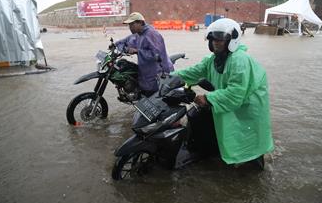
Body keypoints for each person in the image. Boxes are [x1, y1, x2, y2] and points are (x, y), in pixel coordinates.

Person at [173, 18, 274, 168]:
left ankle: (252, 174)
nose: (216, 42)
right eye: (213, 39)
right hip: (229, 102)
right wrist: (169, 77)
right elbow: (194, 72)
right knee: (225, 131)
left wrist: (208, 98)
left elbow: (235, 93)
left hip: (247, 108)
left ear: (231, 40)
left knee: (248, 144)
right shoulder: (214, 59)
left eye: (220, 39)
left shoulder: (239, 60)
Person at [115, 12, 174, 97]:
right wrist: (116, 45)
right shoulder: (138, 34)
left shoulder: (151, 34)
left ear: (141, 23)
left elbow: (157, 55)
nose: (130, 27)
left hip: (158, 72)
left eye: (132, 24)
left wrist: (137, 51)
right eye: (129, 25)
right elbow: (125, 41)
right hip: (146, 71)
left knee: (155, 98)